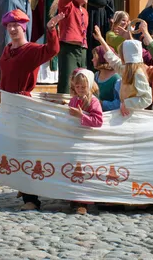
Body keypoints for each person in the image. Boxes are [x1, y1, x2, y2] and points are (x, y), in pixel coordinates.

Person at [0, 8, 63, 211]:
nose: (13, 29)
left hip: (22, 105)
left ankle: (31, 199)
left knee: (23, 150)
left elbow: (52, 50)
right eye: (9, 25)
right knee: (8, 148)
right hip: (7, 104)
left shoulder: (32, 50)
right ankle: (21, 185)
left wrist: (51, 29)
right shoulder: (7, 49)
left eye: (16, 25)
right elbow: (6, 71)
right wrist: (1, 86)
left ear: (24, 27)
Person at [93, 26, 153, 116]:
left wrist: (127, 103)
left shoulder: (137, 73)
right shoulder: (127, 69)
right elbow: (112, 59)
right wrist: (101, 39)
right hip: (127, 115)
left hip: (135, 116)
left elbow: (147, 99)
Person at [67, 68, 103, 215]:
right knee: (73, 167)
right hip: (75, 139)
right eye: (78, 87)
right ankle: (73, 198)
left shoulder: (93, 101)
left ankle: (84, 202)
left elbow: (98, 121)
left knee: (84, 169)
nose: (81, 89)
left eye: (83, 87)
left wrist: (81, 116)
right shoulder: (74, 100)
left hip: (87, 140)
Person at [56, 0, 98, 93]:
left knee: (82, 81)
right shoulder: (67, 6)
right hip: (69, 49)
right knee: (67, 81)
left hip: (82, 50)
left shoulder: (84, 11)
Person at [92, 45, 121, 111]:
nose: (92, 60)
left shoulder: (116, 79)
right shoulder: (96, 75)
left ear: (102, 58)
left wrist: (102, 104)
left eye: (94, 57)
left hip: (111, 117)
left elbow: (120, 103)